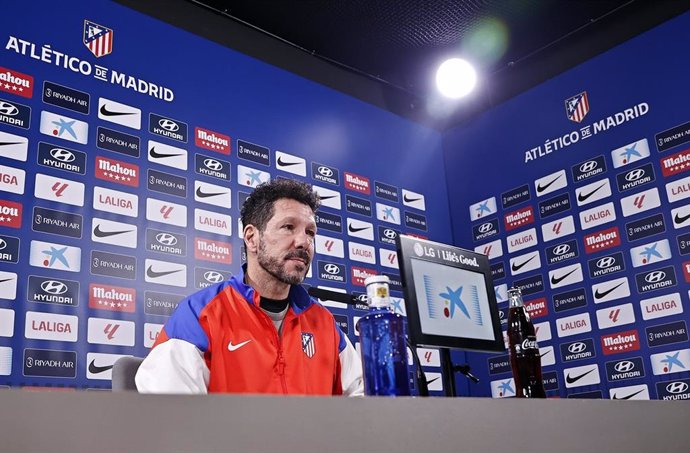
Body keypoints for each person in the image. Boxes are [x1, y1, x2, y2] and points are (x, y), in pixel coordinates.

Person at [135, 178, 364, 396]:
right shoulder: (200, 315)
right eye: (288, 227)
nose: (304, 242)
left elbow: (362, 400)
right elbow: (170, 414)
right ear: (252, 238)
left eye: (310, 232)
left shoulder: (324, 323)